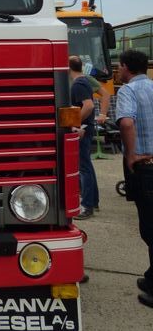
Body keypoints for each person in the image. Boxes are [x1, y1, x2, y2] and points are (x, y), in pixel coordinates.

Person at [115, 49, 153, 308]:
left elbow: (127, 123)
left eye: (119, 66)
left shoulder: (127, 91)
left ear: (127, 67)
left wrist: (132, 154)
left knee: (150, 227)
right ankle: (151, 277)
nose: (117, 71)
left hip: (146, 167)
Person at [69, 55, 98, 219]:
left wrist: (76, 124)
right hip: (87, 128)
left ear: (68, 68)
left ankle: (87, 205)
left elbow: (88, 105)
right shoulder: (85, 80)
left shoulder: (78, 84)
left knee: (84, 168)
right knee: (87, 165)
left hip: (83, 130)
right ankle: (93, 201)